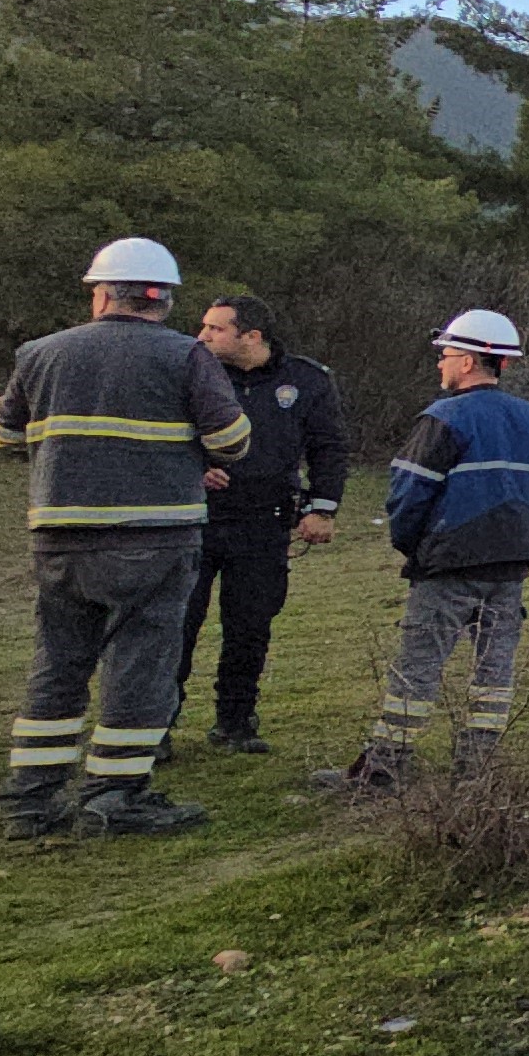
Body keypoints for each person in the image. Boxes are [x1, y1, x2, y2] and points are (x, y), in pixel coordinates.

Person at [0, 237, 253, 838]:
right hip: (154, 535)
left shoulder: (39, 353)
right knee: (140, 663)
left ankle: (30, 799)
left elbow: (5, 436)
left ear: (101, 295)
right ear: (165, 300)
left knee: (58, 661)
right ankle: (115, 794)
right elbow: (232, 440)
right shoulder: (186, 355)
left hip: (59, 533)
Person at [331, 309, 529, 792]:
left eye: (447, 355)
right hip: (512, 563)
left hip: (450, 563)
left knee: (417, 667)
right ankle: (476, 770)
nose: (441, 364)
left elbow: (407, 495)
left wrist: (414, 546)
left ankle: (384, 769)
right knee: (494, 670)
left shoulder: (444, 418)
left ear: (469, 362)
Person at [183, 294, 350, 754]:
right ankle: (156, 725)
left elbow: (329, 447)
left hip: (264, 522)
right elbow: (165, 434)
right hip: (196, 519)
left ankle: (236, 723)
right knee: (177, 625)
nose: (202, 336)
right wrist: (195, 467)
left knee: (250, 627)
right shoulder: (191, 371)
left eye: (215, 328)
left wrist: (322, 508)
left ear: (251, 336)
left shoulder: (306, 380)